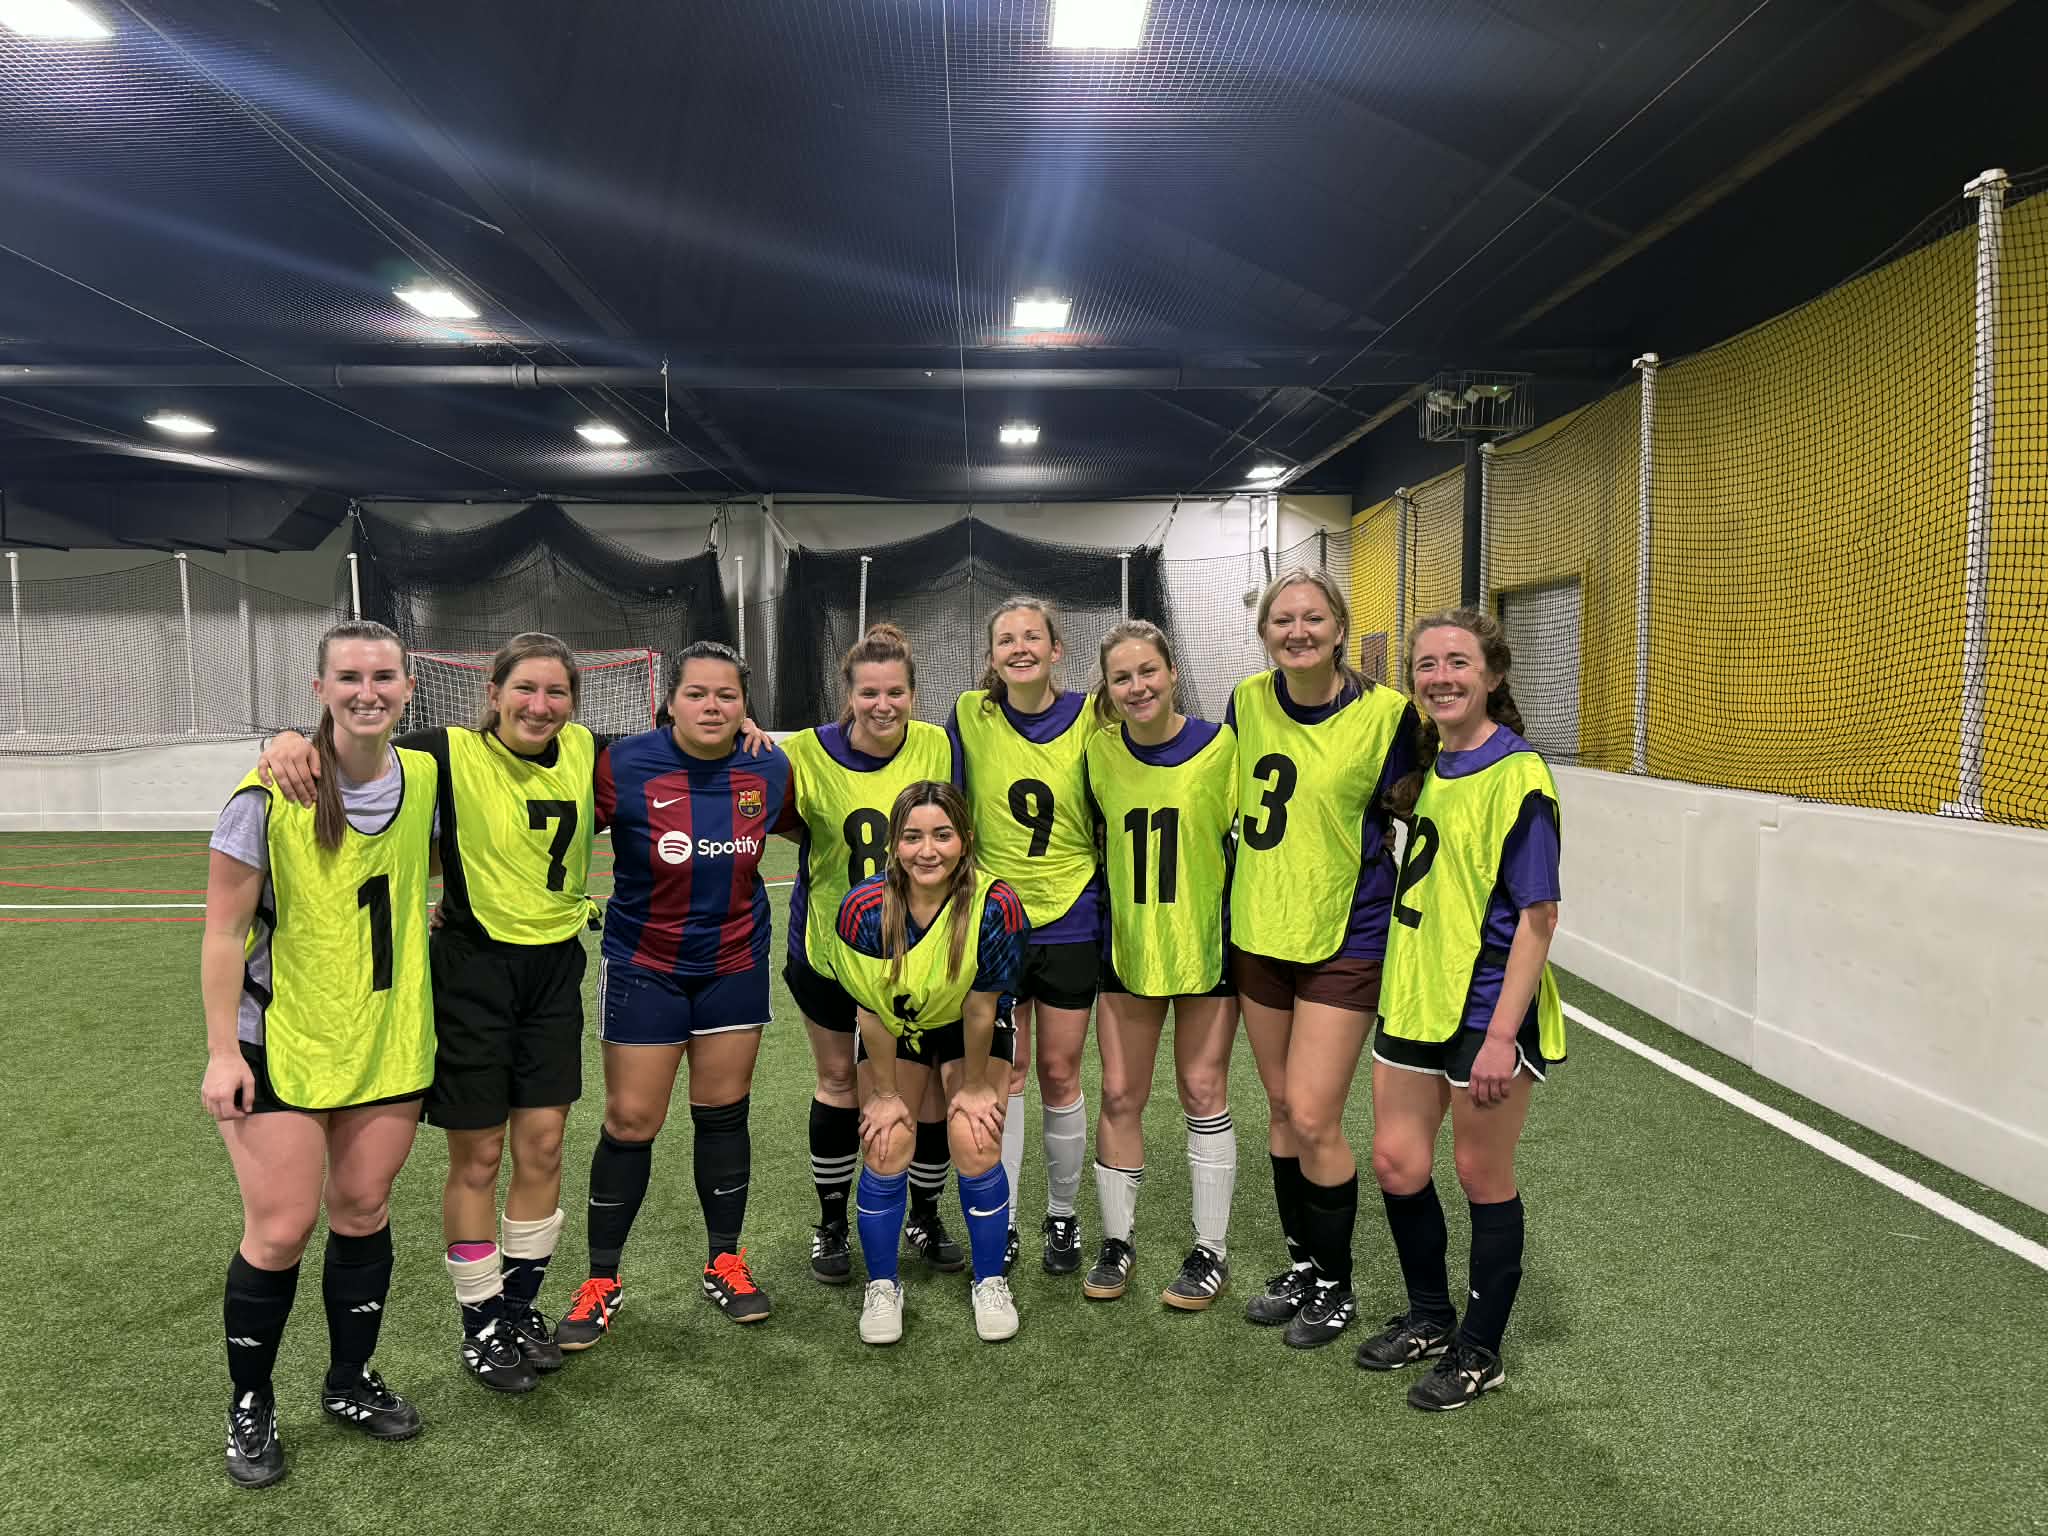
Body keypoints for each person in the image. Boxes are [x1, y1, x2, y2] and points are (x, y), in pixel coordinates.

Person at [257, 634, 601, 1394]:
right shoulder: (443, 752)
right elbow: (354, 739)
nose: (540, 705)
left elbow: (680, 748)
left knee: (544, 1146)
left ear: (575, 703)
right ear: (493, 693)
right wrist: (283, 737)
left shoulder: (587, 750)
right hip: (473, 973)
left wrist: (747, 729)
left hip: (554, 974)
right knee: (479, 1156)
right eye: (525, 689)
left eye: (556, 692)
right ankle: (480, 1324)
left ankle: (519, 1308)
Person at [201, 620, 436, 1489]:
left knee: (364, 1210)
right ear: (320, 689)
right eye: (349, 677)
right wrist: (222, 1053)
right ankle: (250, 1401)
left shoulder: (430, 777)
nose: (367, 692)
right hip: (283, 1045)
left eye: (383, 676)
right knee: (281, 1229)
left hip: (388, 1043)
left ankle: (348, 1380)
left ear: (409, 686)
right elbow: (223, 934)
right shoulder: (266, 795)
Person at [556, 640, 797, 1348]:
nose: (712, 706)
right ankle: (602, 1281)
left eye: (727, 695)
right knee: (632, 1121)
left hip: (733, 963)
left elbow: (813, 823)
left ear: (745, 705)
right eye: (697, 693)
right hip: (645, 965)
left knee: (722, 1113)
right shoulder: (622, 764)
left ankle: (725, 1262)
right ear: (670, 701)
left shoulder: (768, 767)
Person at [1362, 609, 1566, 1410]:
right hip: (1413, 997)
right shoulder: (1432, 765)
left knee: (1481, 1174)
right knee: (1397, 1163)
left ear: (1493, 675)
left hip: (1484, 1009)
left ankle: (1480, 1352)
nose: (1440, 677)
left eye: (1457, 662)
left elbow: (1539, 917)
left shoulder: (1520, 775)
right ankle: (1429, 1317)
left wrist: (1501, 1036)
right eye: (1426, 664)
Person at [1228, 567, 1418, 1349]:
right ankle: (1304, 1266)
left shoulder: (1388, 715)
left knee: (1313, 1114)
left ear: (1340, 628)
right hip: (1260, 929)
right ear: (1265, 632)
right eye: (1282, 620)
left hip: (1346, 932)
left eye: (1312, 618)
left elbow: (1422, 809)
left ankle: (1337, 1285)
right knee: (1280, 1110)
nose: (1297, 631)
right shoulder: (1246, 701)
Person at [781, 624, 963, 1286]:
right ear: (849, 694)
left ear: (913, 693)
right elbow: (785, 820)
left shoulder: (937, 745)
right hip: (830, 949)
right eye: (869, 693)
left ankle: (924, 1215)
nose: (882, 705)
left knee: (926, 1089)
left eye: (895, 693)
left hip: (918, 952)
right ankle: (831, 1223)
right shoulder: (806, 752)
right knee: (839, 1081)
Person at [832, 781, 1030, 1345]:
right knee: (886, 1141)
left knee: (974, 1135)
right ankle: (882, 1286)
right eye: (912, 837)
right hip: (898, 1026)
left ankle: (990, 1280)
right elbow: (871, 1010)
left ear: (965, 839)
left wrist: (975, 1086)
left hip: (969, 1027)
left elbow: (981, 1007)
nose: (927, 851)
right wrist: (886, 1094)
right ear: (893, 844)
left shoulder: (996, 904)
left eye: (942, 835)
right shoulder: (864, 908)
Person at [1081, 621, 1241, 1310]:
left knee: (1203, 1092)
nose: (1137, 686)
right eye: (1122, 677)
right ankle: (1117, 1241)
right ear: (1108, 688)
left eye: (1148, 671)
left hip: (1205, 946)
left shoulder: (1223, 747)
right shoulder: (1097, 751)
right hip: (1128, 948)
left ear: (1173, 672)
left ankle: (1211, 1250)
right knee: (1121, 1095)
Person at [949, 597, 1100, 1275]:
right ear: (992, 655)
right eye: (1005, 639)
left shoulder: (1093, 716)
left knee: (1060, 1073)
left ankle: (1062, 1216)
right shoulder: (969, 715)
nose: (1019, 648)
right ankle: (1004, 1218)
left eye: (1032, 637)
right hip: (997, 921)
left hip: (1072, 916)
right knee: (1004, 1073)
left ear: (1055, 649)